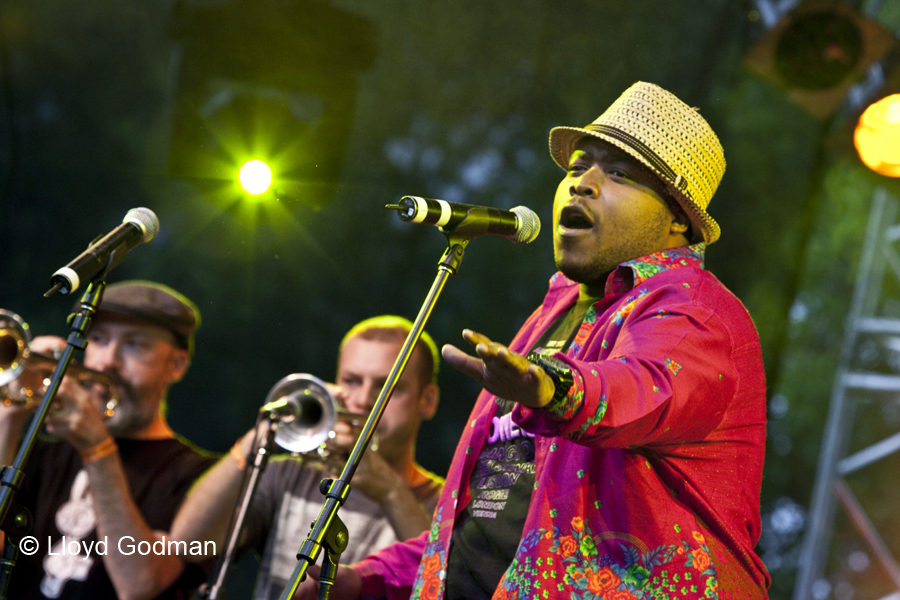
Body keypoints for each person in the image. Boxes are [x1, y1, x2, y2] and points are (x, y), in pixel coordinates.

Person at [294, 81, 770, 600]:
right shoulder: (560, 311)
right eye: (575, 167)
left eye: (616, 173)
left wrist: (552, 388)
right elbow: (495, 525)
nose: (581, 184)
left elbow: (647, 386)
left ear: (678, 216)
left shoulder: (692, 308)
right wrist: (367, 579)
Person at [170, 315, 443, 599]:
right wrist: (262, 434)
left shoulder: (449, 502)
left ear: (428, 400)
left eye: (387, 387)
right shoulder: (289, 475)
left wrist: (389, 490)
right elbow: (187, 544)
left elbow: (441, 583)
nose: (362, 400)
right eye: (351, 381)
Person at [0, 280, 216, 600]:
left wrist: (96, 449)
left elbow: (141, 583)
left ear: (177, 364)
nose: (107, 361)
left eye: (134, 344)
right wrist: (10, 415)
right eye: (98, 339)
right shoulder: (44, 457)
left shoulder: (203, 478)